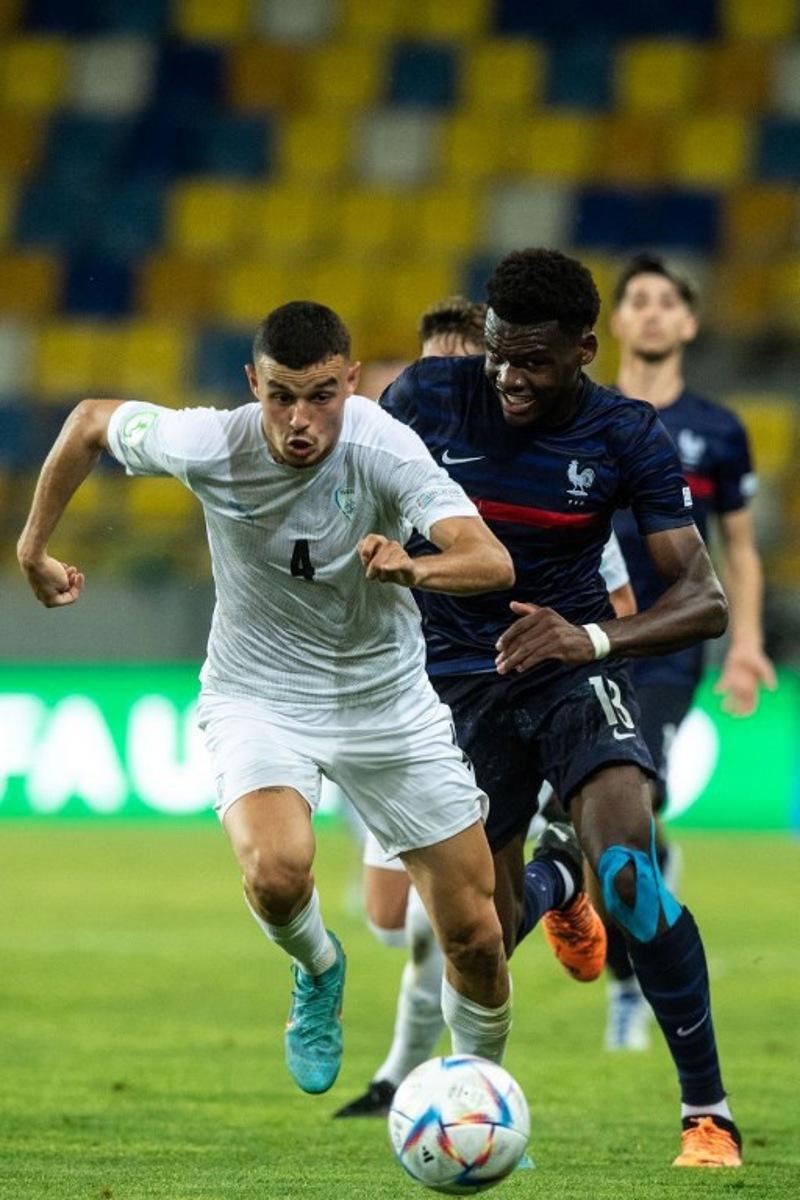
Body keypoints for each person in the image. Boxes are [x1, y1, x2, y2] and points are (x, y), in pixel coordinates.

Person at [16, 300, 520, 1096]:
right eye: (280, 395)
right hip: (258, 693)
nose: (300, 419)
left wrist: (415, 567)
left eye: (322, 395)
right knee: (278, 871)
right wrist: (33, 547)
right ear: (253, 383)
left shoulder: (386, 448)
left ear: (352, 384)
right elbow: (86, 422)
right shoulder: (208, 441)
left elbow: (490, 560)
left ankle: (482, 1100)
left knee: (476, 934)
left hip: (386, 700)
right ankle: (318, 969)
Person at [372, 248, 741, 1169]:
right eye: (499, 353)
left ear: (585, 349)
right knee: (484, 935)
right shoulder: (427, 397)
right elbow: (347, 505)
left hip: (571, 666)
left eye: (534, 360)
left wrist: (593, 641)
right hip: (454, 682)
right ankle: (553, 886)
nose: (509, 377)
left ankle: (709, 1113)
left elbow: (704, 598)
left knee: (630, 871)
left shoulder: (625, 433)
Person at [339, 298, 634, 1120]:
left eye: (449, 372)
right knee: (393, 917)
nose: (430, 391)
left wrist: (576, 667)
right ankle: (558, 877)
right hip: (399, 702)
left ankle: (410, 1080)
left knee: (464, 926)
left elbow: (615, 595)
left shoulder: (541, 479)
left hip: (497, 701)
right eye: (421, 373)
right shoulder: (392, 467)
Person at [598, 253, 776, 1051]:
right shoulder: (588, 415)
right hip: (588, 635)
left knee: (635, 802)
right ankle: (639, 944)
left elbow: (737, 549)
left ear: (689, 322)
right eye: (638, 300)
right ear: (618, 322)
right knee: (600, 824)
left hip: (670, 642)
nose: (653, 312)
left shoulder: (718, 430)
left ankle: (636, 988)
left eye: (668, 301)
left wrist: (747, 644)